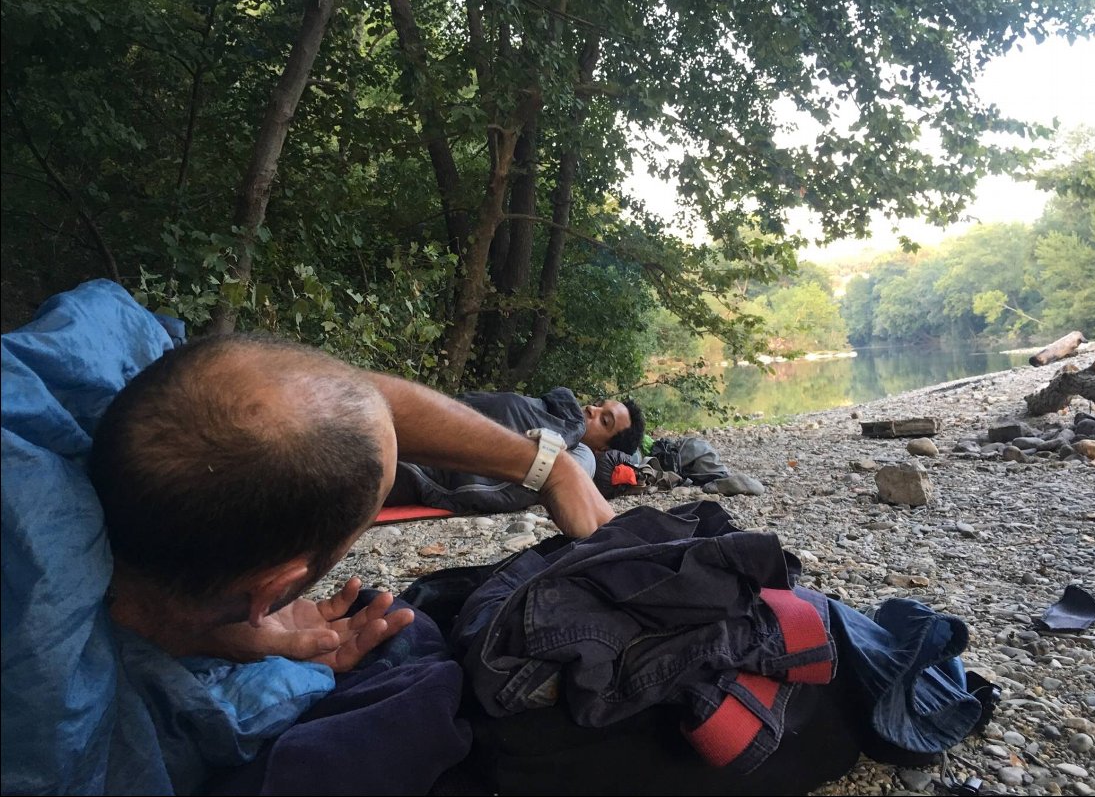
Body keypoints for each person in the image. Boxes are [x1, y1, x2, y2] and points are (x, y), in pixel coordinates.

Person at [0, 280, 619, 794]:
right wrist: (268, 674)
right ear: (275, 589)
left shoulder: (88, 372)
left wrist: (546, 465)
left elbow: (333, 397)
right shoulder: (58, 735)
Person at [385, 387, 645, 514]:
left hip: (417, 463)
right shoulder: (555, 413)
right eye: (599, 405)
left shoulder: (583, 459)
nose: (591, 409)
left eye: (604, 421)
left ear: (603, 449)